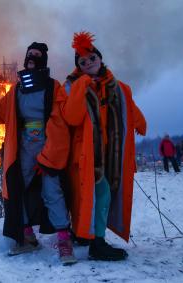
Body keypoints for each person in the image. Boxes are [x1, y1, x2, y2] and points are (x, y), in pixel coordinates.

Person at [0, 42, 75, 265]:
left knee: (52, 191)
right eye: (29, 53)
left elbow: (60, 124)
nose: (32, 56)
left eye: (37, 54)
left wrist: (50, 156)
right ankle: (27, 237)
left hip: (48, 145)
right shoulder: (16, 90)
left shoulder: (54, 87)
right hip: (22, 147)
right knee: (16, 189)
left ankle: (64, 239)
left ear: (43, 60)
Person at [60, 32, 147, 261]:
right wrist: (81, 87)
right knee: (101, 194)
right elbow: (72, 117)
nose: (88, 64)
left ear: (100, 59)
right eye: (82, 62)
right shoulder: (71, 87)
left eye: (91, 59)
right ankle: (97, 243)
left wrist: (139, 122)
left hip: (111, 154)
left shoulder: (117, 87)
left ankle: (84, 235)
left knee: (95, 196)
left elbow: (128, 107)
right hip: (86, 153)